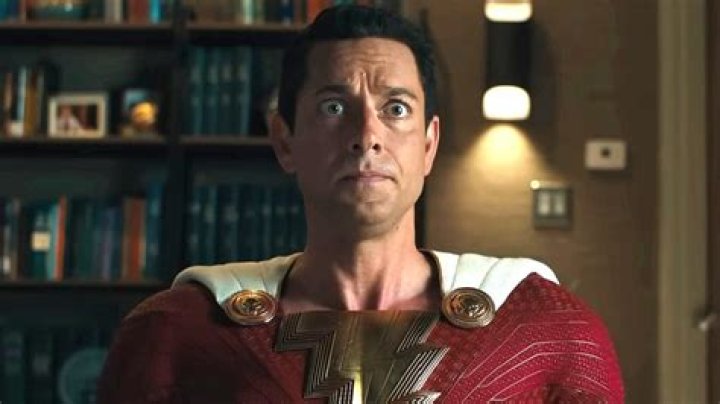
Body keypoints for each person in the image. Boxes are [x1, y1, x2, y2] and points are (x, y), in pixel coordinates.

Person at [97, 5, 624, 403]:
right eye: (333, 107)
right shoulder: (180, 331)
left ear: (429, 144)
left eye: (396, 108)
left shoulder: (542, 327)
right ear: (285, 140)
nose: (367, 135)